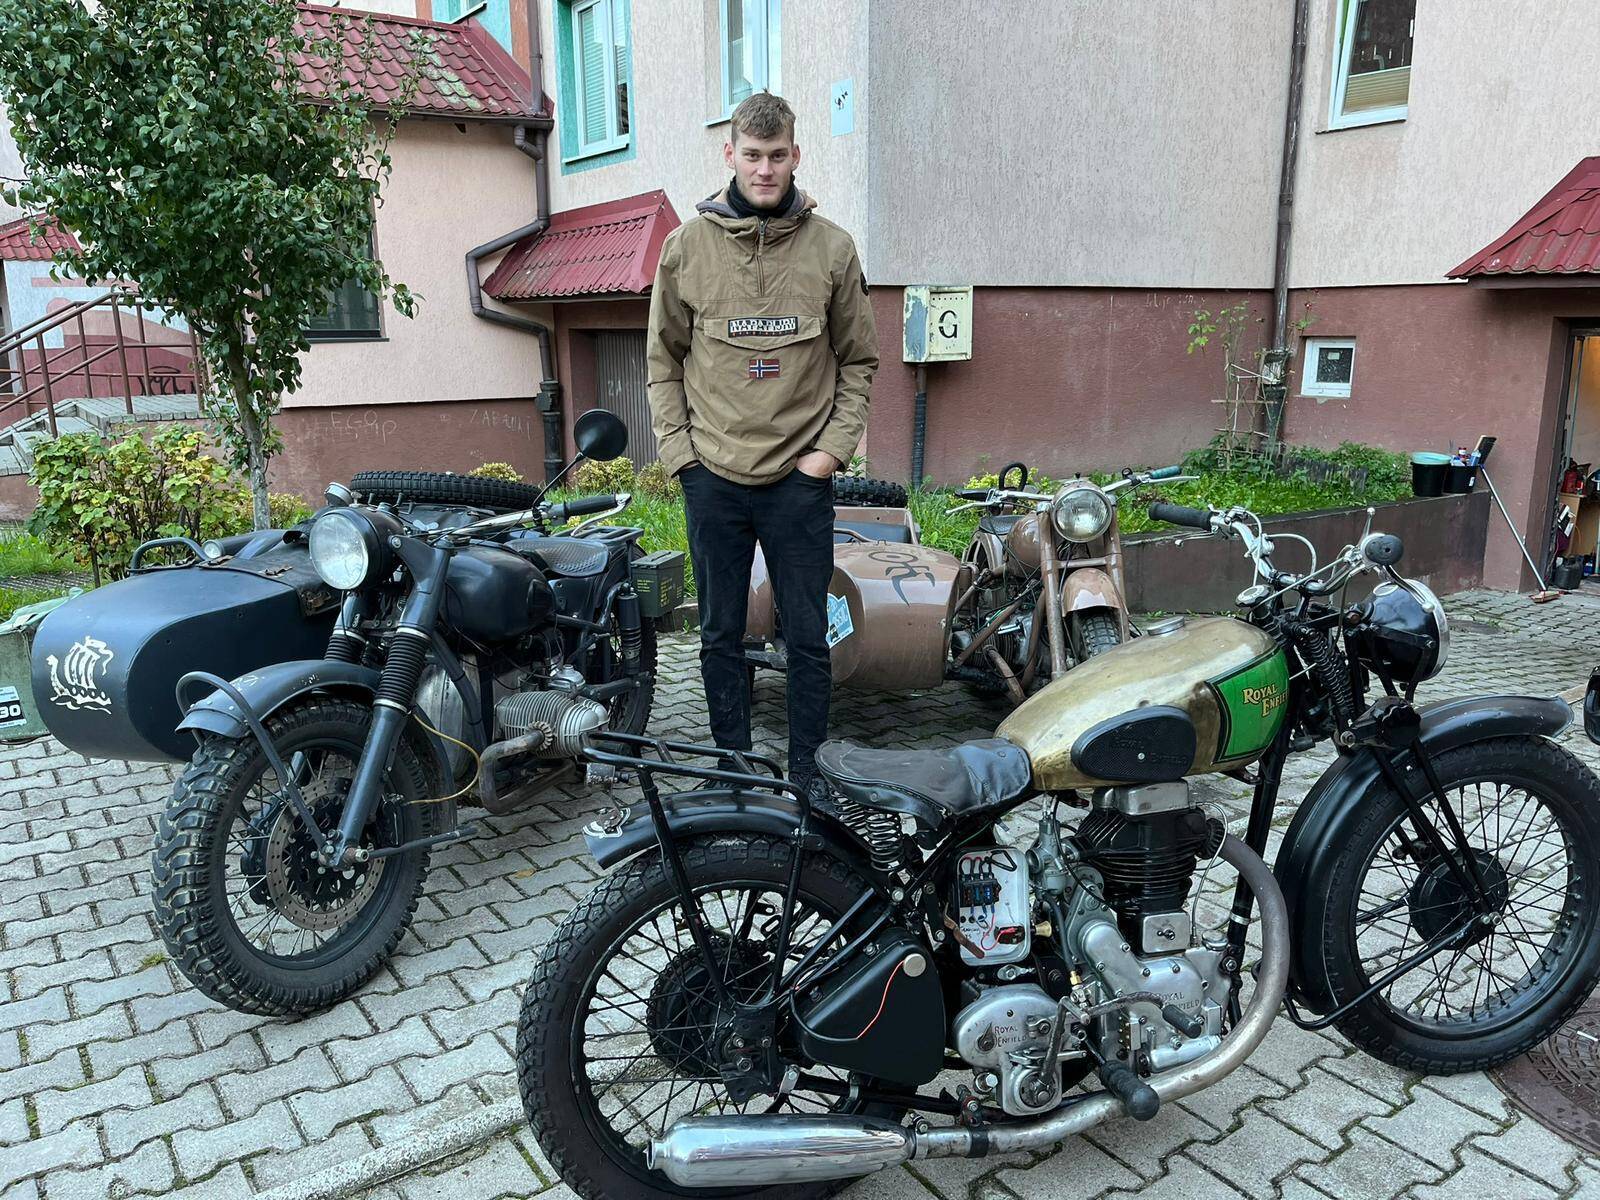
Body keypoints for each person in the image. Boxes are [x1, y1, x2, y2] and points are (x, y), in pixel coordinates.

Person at [647, 90, 878, 792]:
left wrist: (827, 456)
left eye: (777, 155)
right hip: (713, 476)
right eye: (752, 155)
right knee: (719, 633)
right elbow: (662, 363)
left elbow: (859, 361)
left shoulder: (832, 249)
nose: (765, 169)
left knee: (807, 634)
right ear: (731, 154)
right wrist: (682, 458)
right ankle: (734, 772)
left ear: (796, 155)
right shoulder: (686, 250)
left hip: (798, 483)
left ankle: (807, 772)